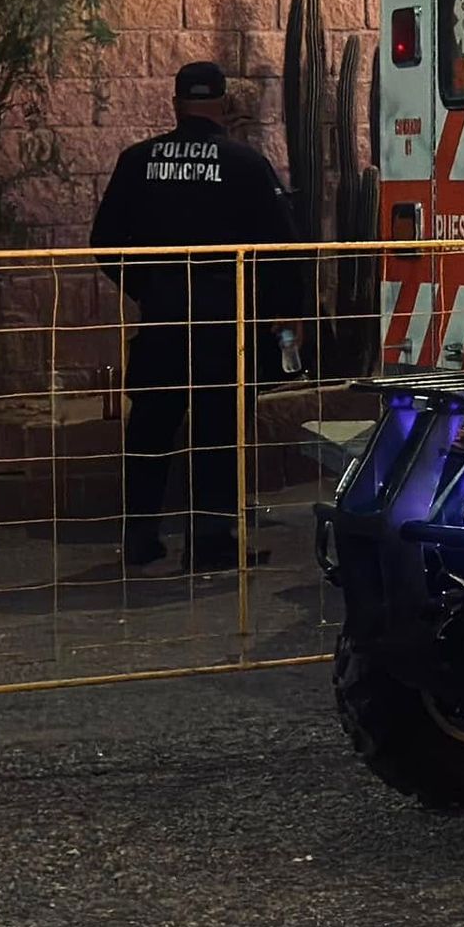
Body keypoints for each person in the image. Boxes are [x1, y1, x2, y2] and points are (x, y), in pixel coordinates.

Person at [91, 62, 303, 571]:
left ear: (175, 103)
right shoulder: (245, 164)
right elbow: (285, 246)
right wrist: (276, 309)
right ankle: (210, 545)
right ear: (223, 105)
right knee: (218, 434)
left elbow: (103, 241)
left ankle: (140, 538)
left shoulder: (137, 160)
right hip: (222, 322)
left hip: (162, 317)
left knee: (150, 431)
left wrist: (146, 288)